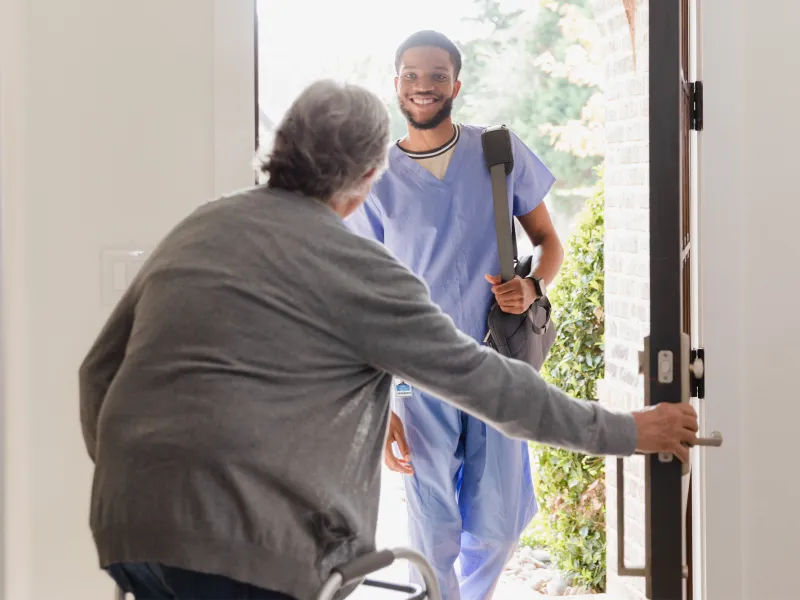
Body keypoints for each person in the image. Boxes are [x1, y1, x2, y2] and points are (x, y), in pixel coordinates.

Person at [79, 79, 698, 600]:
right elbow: (487, 382)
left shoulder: (203, 225)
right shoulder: (352, 266)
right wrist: (628, 431)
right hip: (246, 544)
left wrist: (141, 477)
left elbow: (98, 372)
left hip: (128, 524)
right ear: (372, 175)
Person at [345, 30, 564, 599]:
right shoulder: (373, 177)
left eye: (437, 76)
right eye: (412, 76)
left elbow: (548, 241)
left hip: (497, 364)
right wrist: (376, 403)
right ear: (396, 84)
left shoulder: (498, 152)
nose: (424, 86)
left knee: (499, 525)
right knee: (431, 523)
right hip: (416, 374)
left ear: (456, 85)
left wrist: (532, 285)